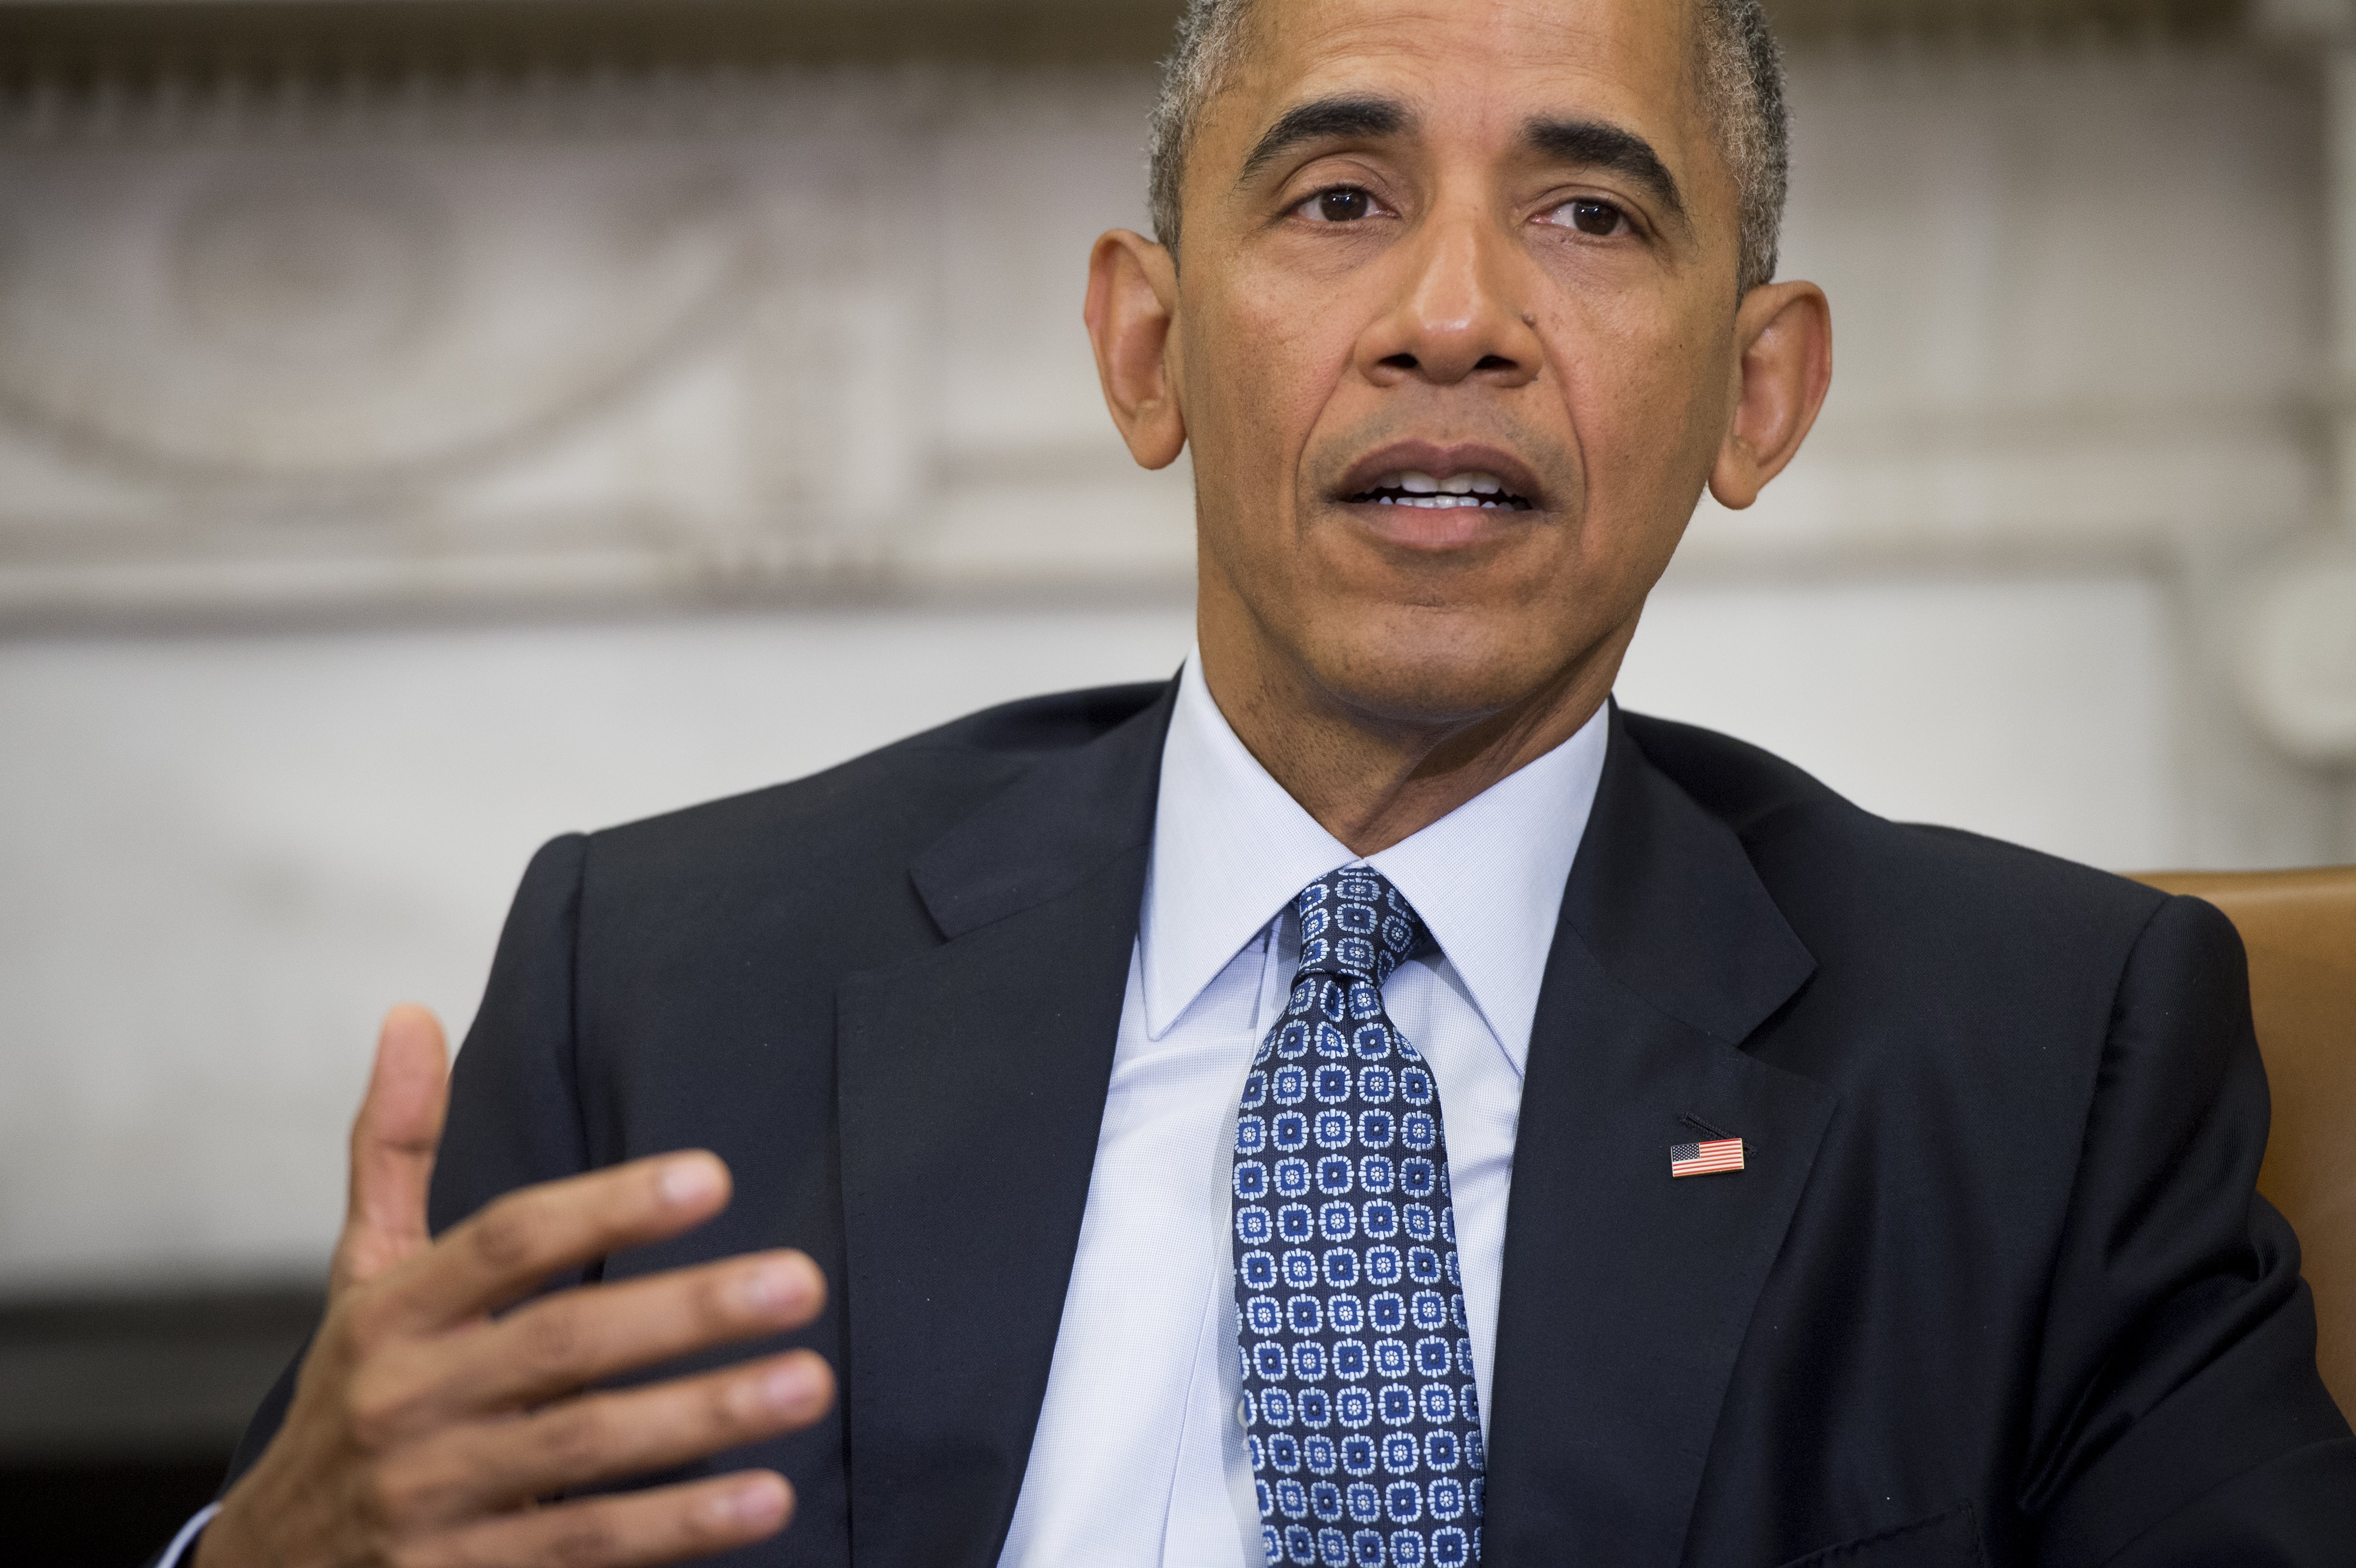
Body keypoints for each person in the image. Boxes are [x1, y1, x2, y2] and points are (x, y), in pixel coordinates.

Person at [163, 0, 2356, 1563]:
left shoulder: (2036, 1057)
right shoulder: (654, 989)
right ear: (1145, 347)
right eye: (1334, 197)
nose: (1453, 315)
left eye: (1588, 219)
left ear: (1754, 397)